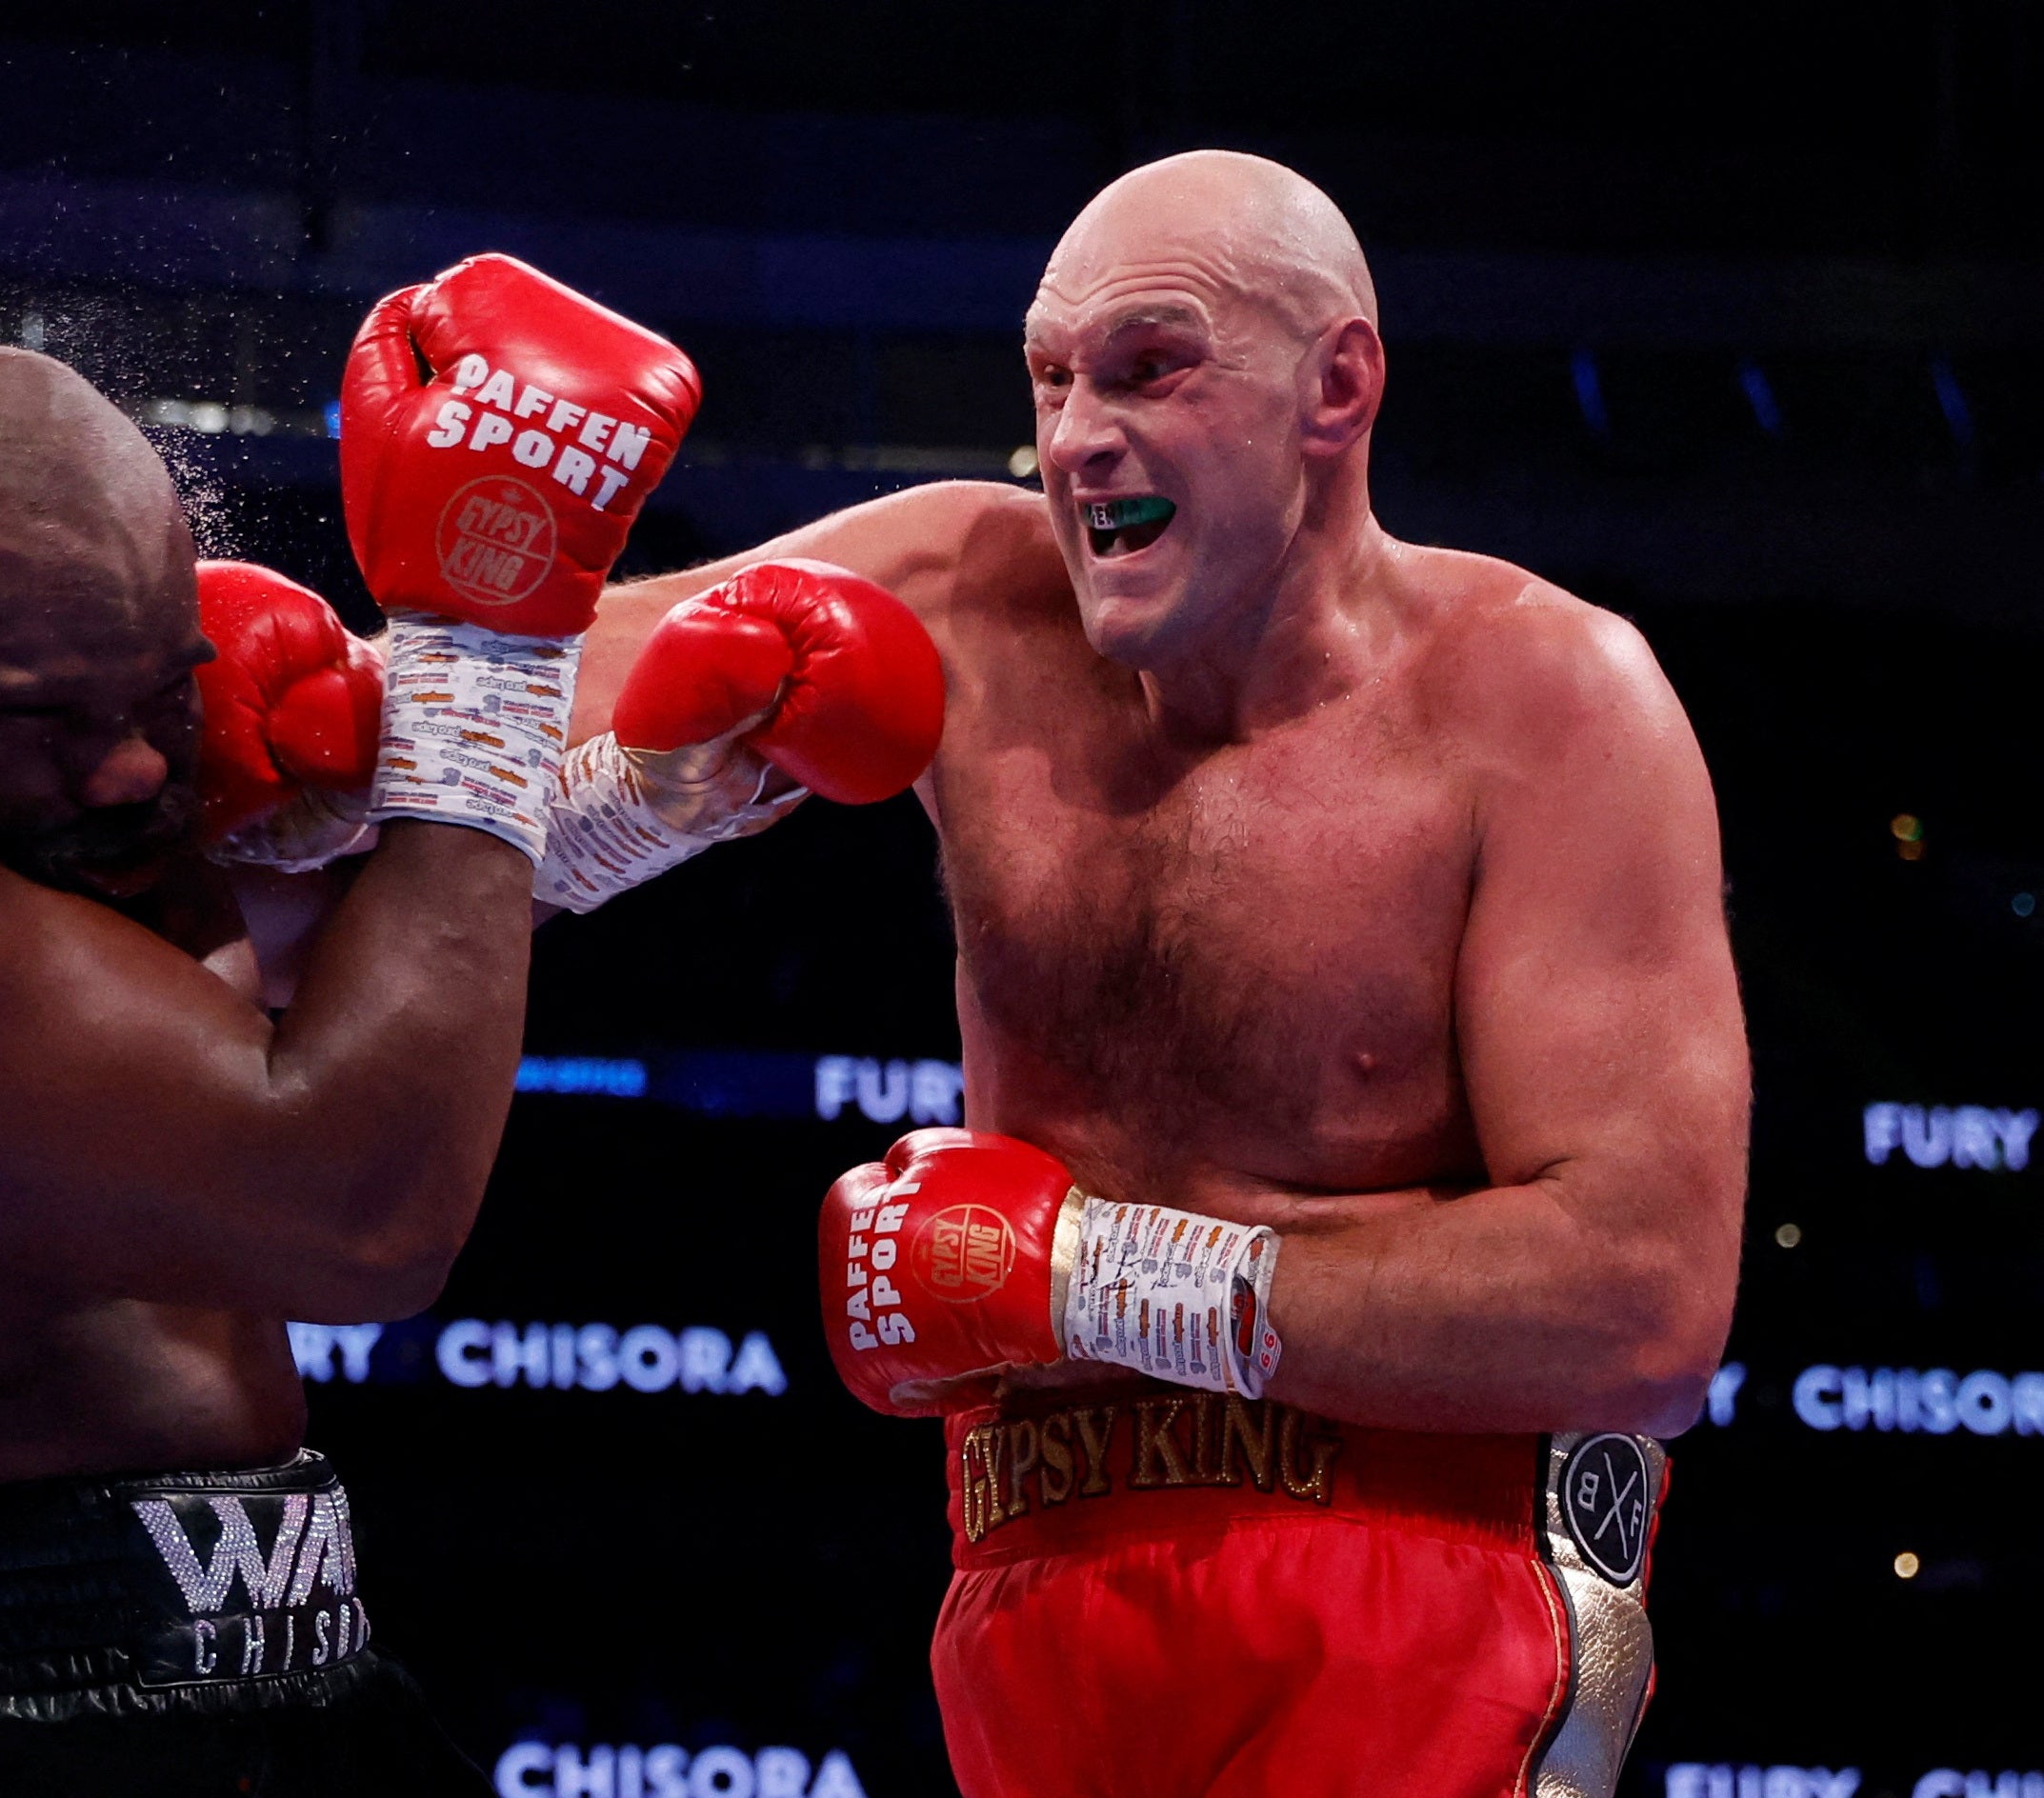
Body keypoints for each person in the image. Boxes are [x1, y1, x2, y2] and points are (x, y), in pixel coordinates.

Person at [572, 151, 1749, 1798]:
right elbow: (481, 744)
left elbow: (1643, 1308)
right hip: (1030, 1595)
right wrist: (557, 744)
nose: (1072, 440)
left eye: (1146, 368)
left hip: (1418, 1596)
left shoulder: (1541, 701)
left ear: (1335, 387)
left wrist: (1088, 1281)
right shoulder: (967, 600)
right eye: (1050, 379)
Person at [0, 252, 709, 1797]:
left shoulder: (22, 804)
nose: (119, 774)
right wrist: (483, 652)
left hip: (301, 1675)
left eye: (161, 700)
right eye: (42, 715)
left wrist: (629, 804)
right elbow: (354, 1215)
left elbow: (332, 998)